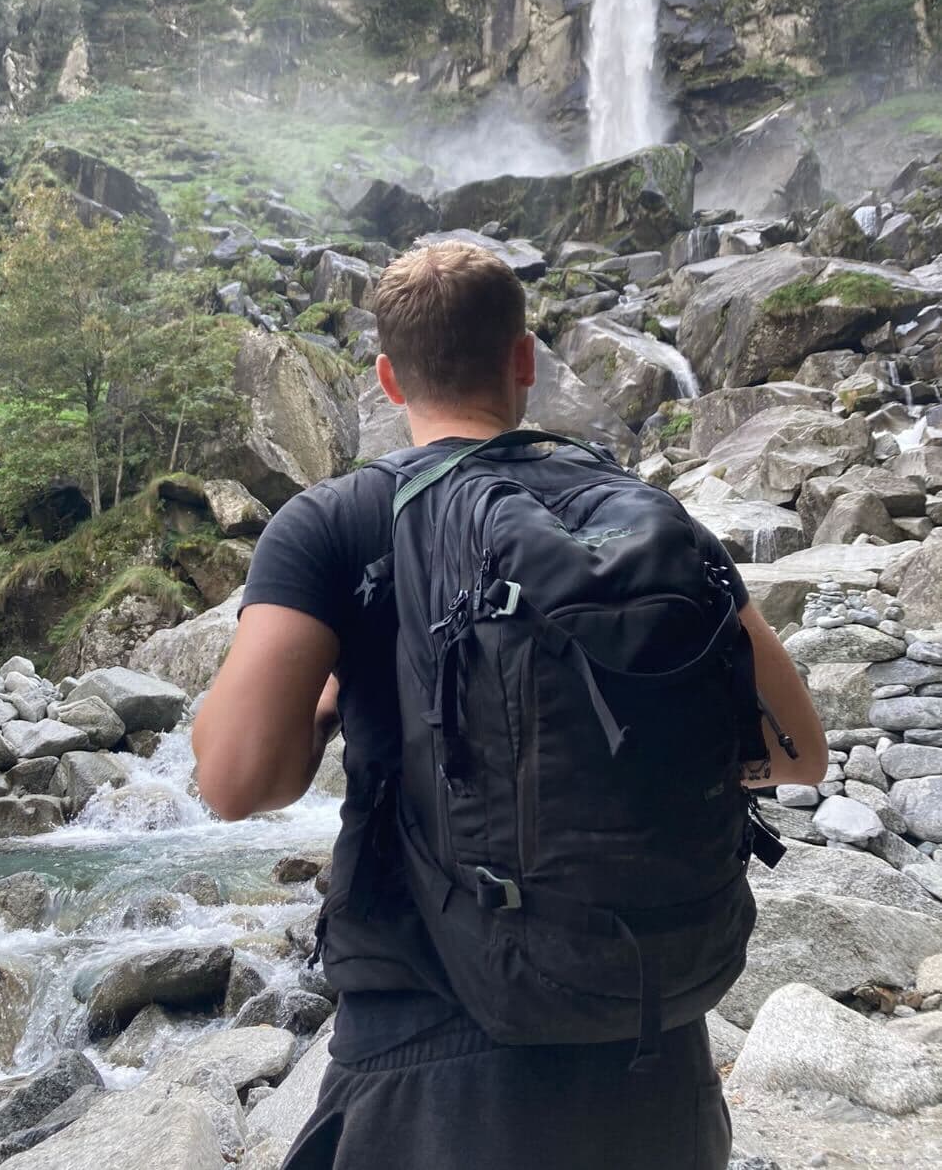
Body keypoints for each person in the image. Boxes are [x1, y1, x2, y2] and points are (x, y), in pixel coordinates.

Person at [192, 241, 828, 1170]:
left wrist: (327, 706)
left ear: (386, 379)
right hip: (655, 1055)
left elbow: (237, 782)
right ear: (524, 360)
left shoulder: (334, 522)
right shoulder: (645, 514)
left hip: (430, 1067)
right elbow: (800, 750)